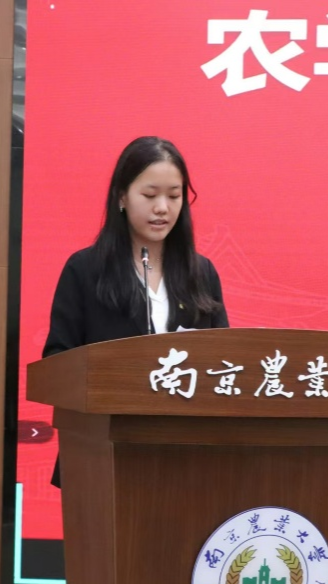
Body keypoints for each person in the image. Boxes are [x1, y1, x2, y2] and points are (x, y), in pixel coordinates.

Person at [42, 136, 229, 486]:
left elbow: (225, 365)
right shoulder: (85, 270)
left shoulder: (201, 273)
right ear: (121, 197)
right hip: (102, 454)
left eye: (174, 196)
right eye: (150, 195)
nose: (163, 208)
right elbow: (57, 360)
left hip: (188, 460)